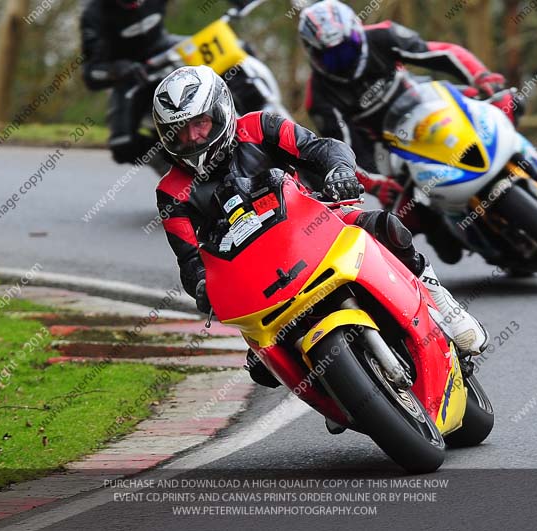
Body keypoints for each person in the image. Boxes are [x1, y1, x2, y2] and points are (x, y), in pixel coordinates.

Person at [152, 65, 489, 388]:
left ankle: (441, 302)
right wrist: (202, 286)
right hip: (253, 277)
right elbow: (189, 261)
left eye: (200, 123)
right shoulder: (170, 191)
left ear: (221, 111)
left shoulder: (259, 127)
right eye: (180, 129)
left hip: (312, 227)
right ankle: (339, 397)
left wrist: (338, 170)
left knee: (384, 227)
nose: (193, 136)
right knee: (264, 368)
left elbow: (320, 148)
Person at [298, 0, 519, 263]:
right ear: (313, 54)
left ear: (358, 32)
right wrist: (375, 184)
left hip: (425, 104)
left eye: (347, 49)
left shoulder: (384, 35)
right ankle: (445, 228)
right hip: (386, 147)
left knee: (508, 101)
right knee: (407, 217)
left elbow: (443, 53)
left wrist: (482, 77)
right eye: (332, 57)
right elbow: (341, 149)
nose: (343, 61)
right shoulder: (319, 96)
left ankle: (520, 157)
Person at [80, 0, 249, 174]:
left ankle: (254, 121)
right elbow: (90, 73)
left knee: (239, 50)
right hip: (131, 76)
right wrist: (116, 70)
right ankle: (179, 172)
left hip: (167, 50)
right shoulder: (94, 13)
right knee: (121, 145)